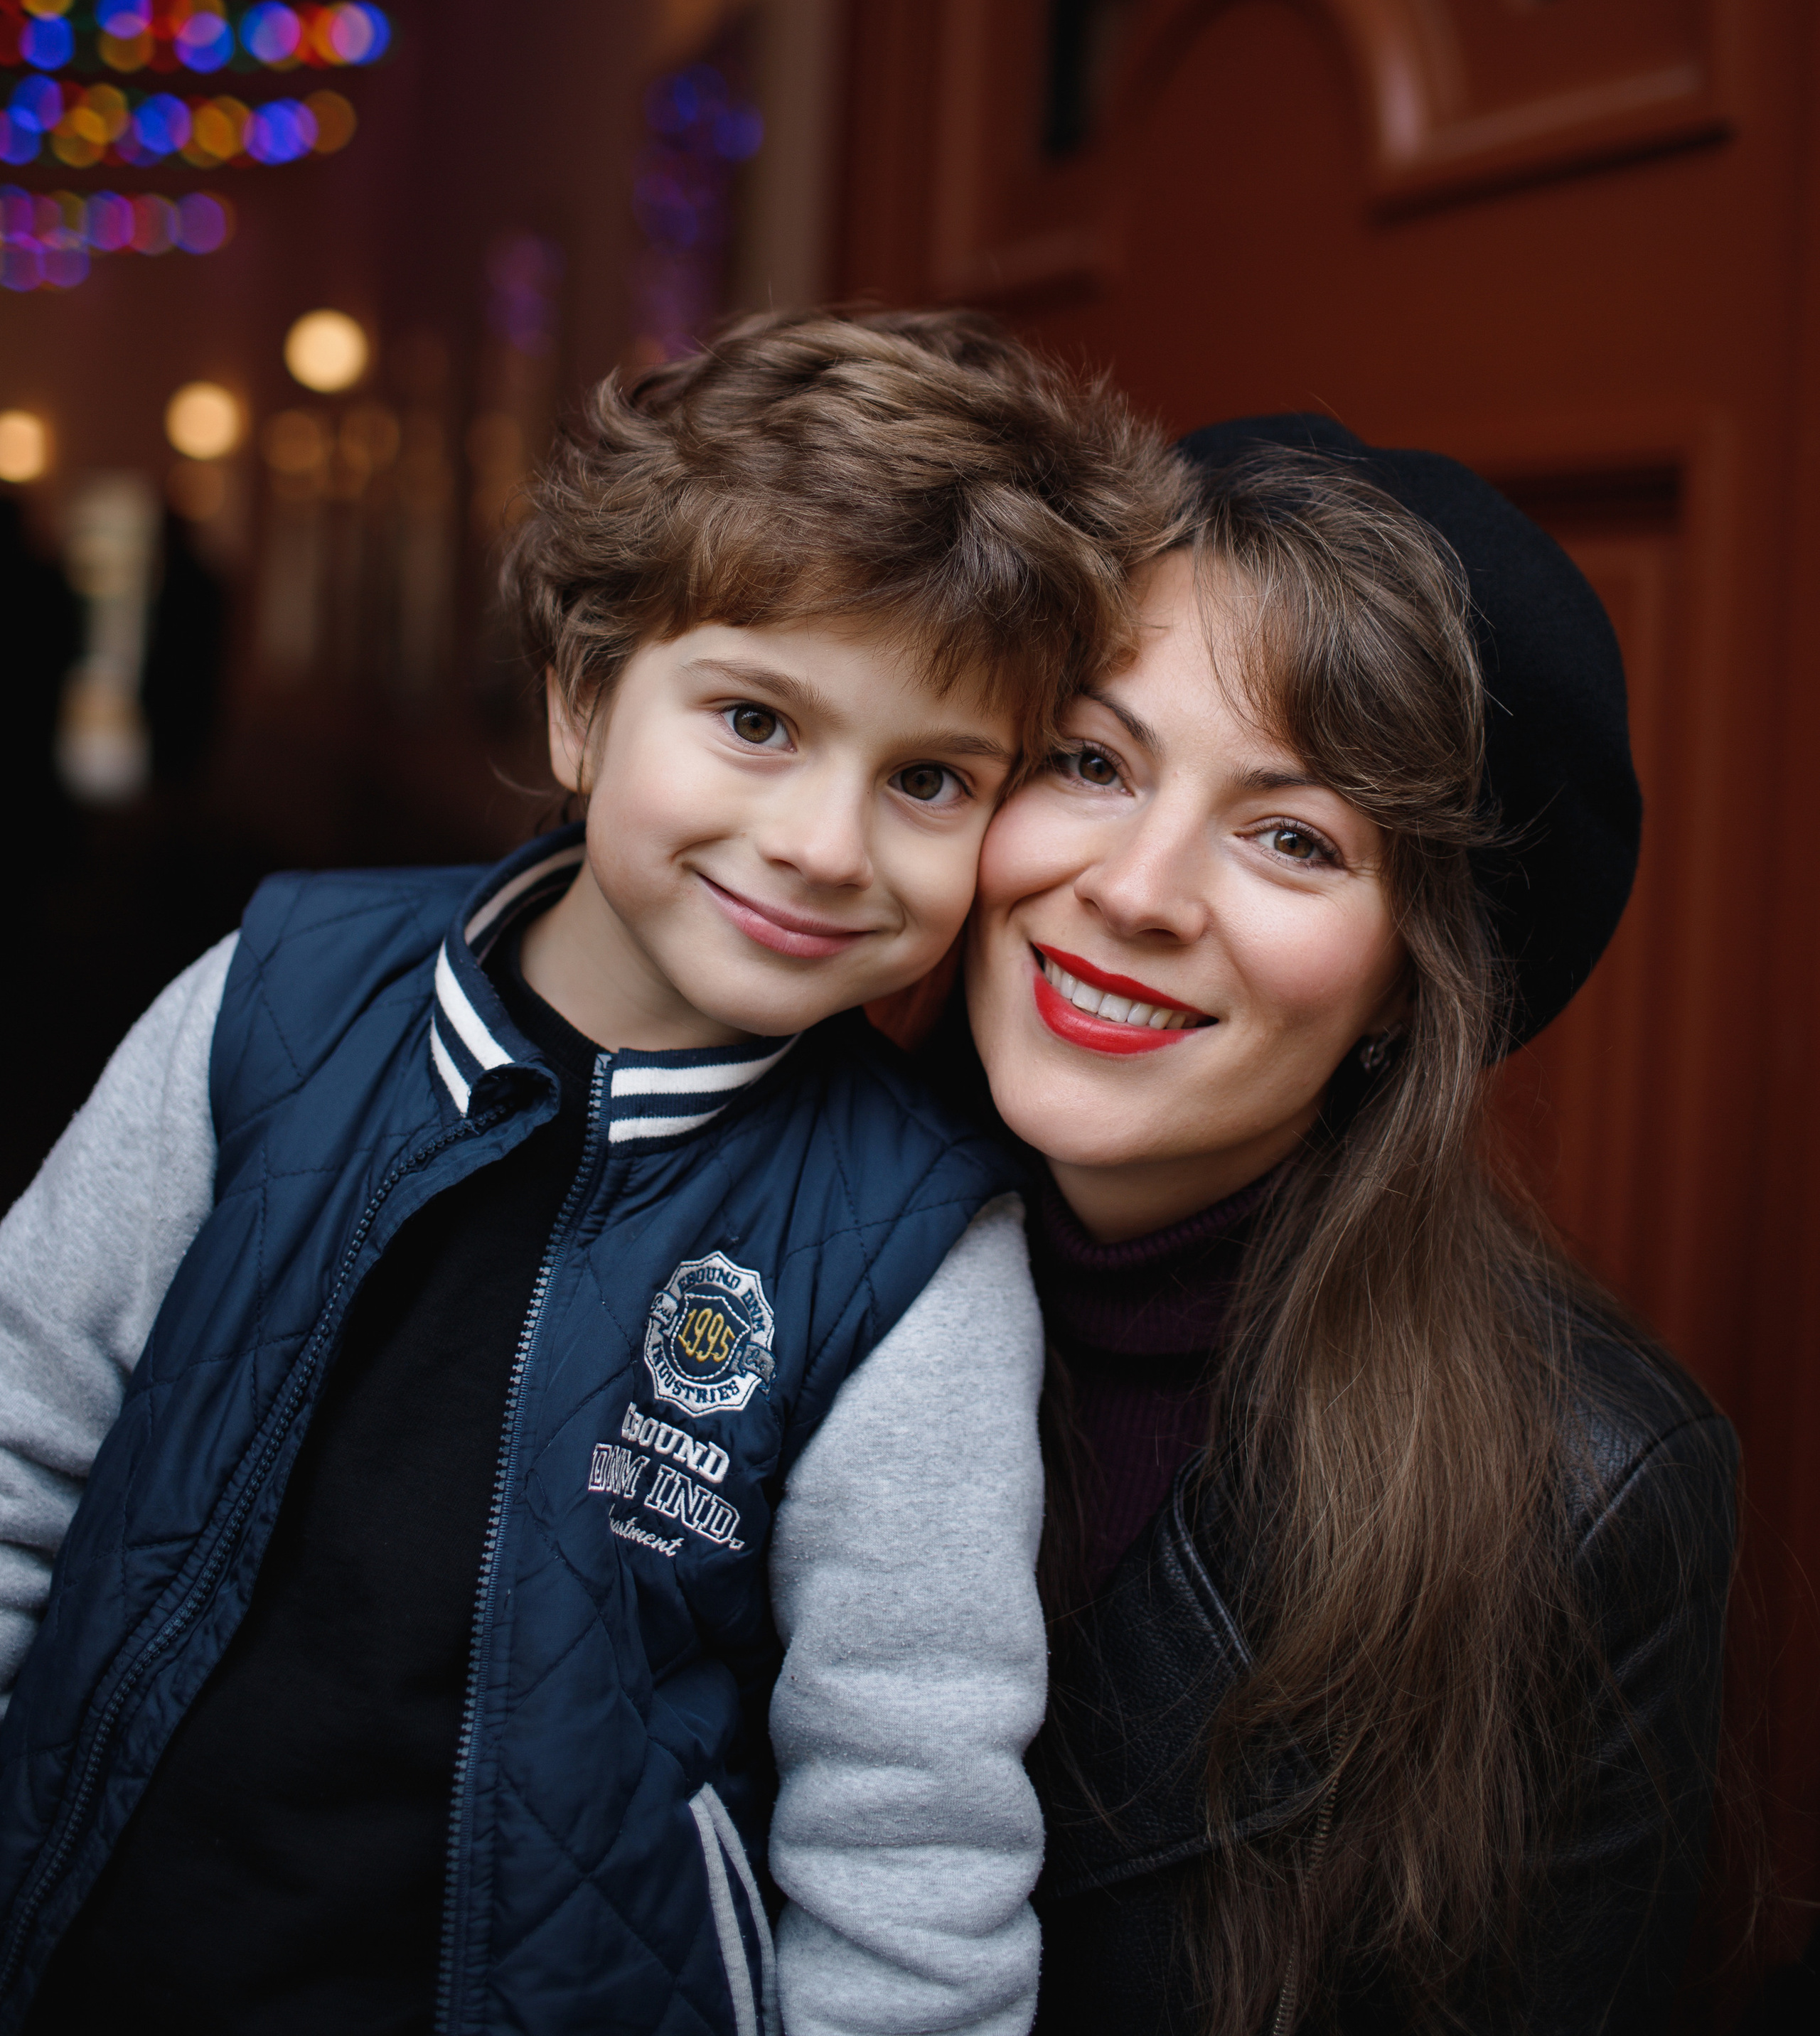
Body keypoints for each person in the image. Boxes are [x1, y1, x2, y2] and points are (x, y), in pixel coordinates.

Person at [0, 311, 1181, 2036]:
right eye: (756, 721)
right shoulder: (269, 1006)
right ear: (580, 702)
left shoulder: (906, 1252)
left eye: (929, 778)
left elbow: (906, 1829)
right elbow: (18, 1446)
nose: (821, 843)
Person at [950, 414, 1740, 2035]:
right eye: (1089, 761)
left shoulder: (1585, 1500)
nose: (1139, 889)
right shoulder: (717, 1239)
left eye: (1291, 837)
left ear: (1409, 983)